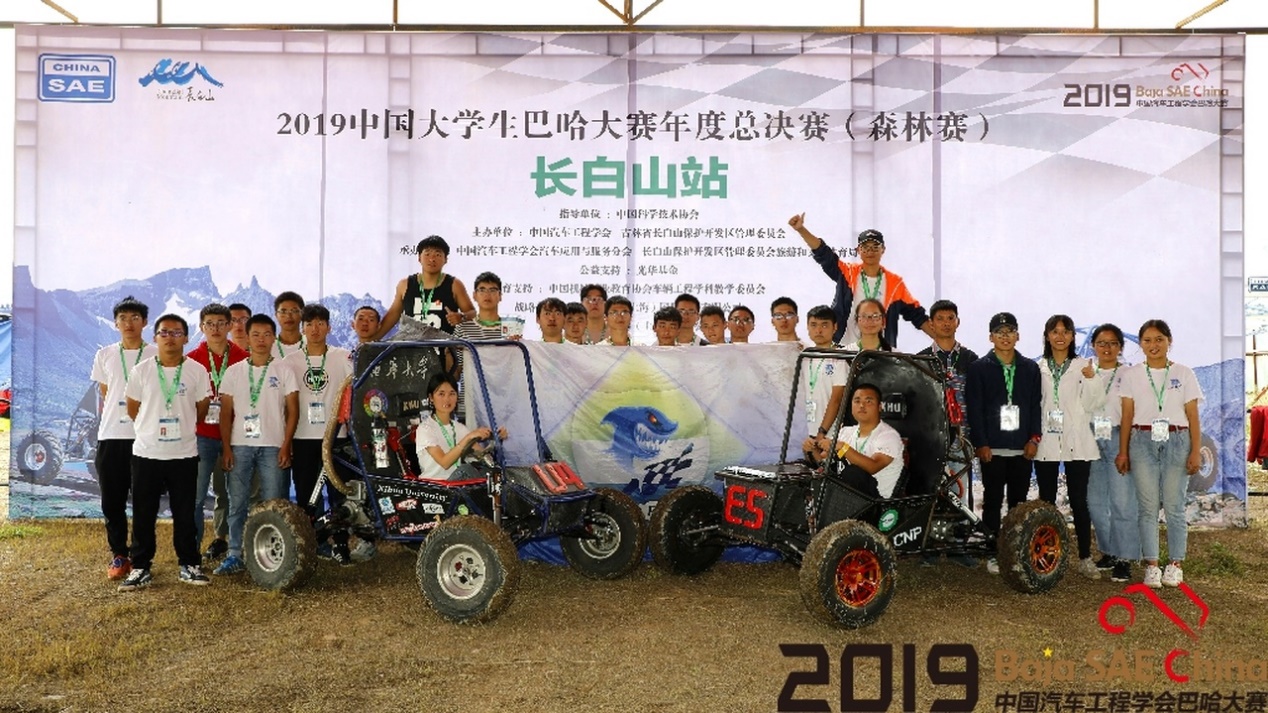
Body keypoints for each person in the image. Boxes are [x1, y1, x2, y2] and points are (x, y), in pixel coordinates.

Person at [117, 314, 212, 591]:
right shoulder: (141, 371)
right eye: (164, 332)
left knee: (185, 513)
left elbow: (201, 409)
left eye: (176, 332)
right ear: (155, 337)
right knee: (143, 514)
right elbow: (133, 408)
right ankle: (140, 566)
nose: (170, 337)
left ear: (186, 337)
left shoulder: (196, 371)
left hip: (184, 454)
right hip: (147, 454)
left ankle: (189, 564)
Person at [1116, 320, 1204, 589]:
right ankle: (1152, 565)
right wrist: (1123, 451)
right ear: (1140, 344)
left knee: (1174, 506)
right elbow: (1127, 416)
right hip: (1141, 442)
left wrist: (1195, 450)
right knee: (1147, 507)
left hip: (1178, 440)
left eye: (1159, 339)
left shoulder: (1184, 373)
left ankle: (1175, 564)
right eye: (1147, 340)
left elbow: (1193, 416)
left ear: (1169, 341)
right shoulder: (1131, 375)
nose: (1153, 345)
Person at [214, 314, 300, 575]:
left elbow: (293, 411)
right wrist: (226, 448)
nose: (261, 340)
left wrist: (286, 444)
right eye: (256, 335)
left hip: (273, 446)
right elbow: (225, 413)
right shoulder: (234, 371)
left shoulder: (284, 370)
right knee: (237, 503)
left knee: (274, 503)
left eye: (266, 335)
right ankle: (235, 553)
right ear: (247, 338)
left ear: (274, 338)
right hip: (240, 445)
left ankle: (273, 555)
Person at [965, 312, 1043, 575]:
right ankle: (991, 551)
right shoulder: (979, 368)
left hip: (1022, 447)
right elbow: (975, 409)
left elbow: (1035, 406)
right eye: (999, 332)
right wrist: (981, 443)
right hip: (993, 448)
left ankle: (1015, 552)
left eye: (1010, 331)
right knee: (992, 500)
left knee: (1018, 504)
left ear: (1018, 336)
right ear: (991, 337)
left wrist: (1034, 438)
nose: (1005, 336)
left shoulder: (1030, 369)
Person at [788, 213, 934, 348]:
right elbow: (823, 254)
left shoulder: (895, 283)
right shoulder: (848, 273)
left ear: (883, 249)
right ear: (858, 250)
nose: (870, 251)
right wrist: (801, 229)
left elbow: (917, 316)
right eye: (865, 247)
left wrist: (942, 339)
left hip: (879, 352)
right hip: (844, 347)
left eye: (875, 247)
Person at [91, 296, 157, 581]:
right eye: (123, 318)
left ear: (144, 322)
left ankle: (141, 558)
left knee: (144, 500)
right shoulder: (105, 354)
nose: (129, 323)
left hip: (145, 438)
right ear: (115, 323)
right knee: (112, 500)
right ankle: (119, 554)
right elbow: (106, 392)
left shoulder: (156, 353)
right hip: (111, 435)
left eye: (135, 318)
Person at [285, 304, 355, 563]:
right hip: (302, 437)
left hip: (336, 436)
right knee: (306, 494)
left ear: (329, 327)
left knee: (339, 493)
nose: (315, 329)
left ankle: (341, 544)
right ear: (302, 328)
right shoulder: (290, 362)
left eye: (320, 323)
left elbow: (354, 391)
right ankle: (314, 542)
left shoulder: (343, 357)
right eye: (309, 324)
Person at [1032, 314, 1101, 579]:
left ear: (1072, 336)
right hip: (1047, 441)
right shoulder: (1037, 367)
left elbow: (1094, 404)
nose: (1060, 336)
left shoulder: (1084, 366)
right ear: (1047, 336)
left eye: (1065, 331)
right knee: (1047, 502)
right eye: (1055, 331)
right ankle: (1047, 558)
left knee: (1079, 502)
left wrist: (1092, 379)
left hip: (1077, 441)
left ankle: (1085, 558)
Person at [916, 299, 979, 568]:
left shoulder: (971, 359)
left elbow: (977, 400)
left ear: (957, 322)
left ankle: (957, 545)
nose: (945, 323)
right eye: (939, 319)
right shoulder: (920, 359)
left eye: (950, 318)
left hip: (961, 438)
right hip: (931, 439)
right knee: (931, 492)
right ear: (931, 324)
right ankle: (929, 546)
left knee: (959, 493)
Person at [186, 303, 249, 561]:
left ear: (230, 326)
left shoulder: (243, 358)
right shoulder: (191, 360)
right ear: (202, 327)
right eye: (209, 324)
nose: (215, 329)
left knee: (230, 494)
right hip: (200, 436)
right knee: (196, 496)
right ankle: (191, 551)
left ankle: (227, 542)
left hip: (234, 436)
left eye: (221, 323)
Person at [1084, 323, 1139, 583]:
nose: (1107, 348)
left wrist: (1125, 449)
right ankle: (1108, 551)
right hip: (1091, 437)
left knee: (1122, 502)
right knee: (1095, 502)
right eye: (1101, 343)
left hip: (1118, 437)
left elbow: (1131, 413)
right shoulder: (1086, 371)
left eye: (1113, 343)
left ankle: (1124, 558)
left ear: (1121, 347)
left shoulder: (1129, 374)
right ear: (1093, 346)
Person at [812, 384, 904, 499]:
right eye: (857, 401)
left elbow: (873, 467)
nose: (861, 405)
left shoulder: (888, 436)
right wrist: (813, 449)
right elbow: (823, 462)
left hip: (876, 500)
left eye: (868, 401)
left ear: (880, 406)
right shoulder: (845, 432)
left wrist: (843, 448)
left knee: (853, 473)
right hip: (846, 496)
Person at [377, 235, 476, 338]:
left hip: (444, 346)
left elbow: (473, 313)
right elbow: (393, 315)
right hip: (411, 346)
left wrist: (462, 317)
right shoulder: (405, 285)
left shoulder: (454, 285)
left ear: (446, 259)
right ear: (419, 258)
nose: (432, 259)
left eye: (437, 255)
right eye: (427, 254)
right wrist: (371, 341)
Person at [415, 373, 506, 481]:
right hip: (435, 485)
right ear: (431, 398)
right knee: (466, 469)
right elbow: (444, 463)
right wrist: (468, 437)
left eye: (452, 394)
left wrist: (496, 439)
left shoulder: (459, 428)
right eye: (441, 394)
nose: (447, 399)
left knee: (493, 472)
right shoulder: (425, 429)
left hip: (457, 484)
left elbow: (481, 455)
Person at [799, 306, 847, 456]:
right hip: (808, 433)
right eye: (814, 325)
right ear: (807, 327)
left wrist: (822, 432)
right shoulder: (805, 356)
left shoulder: (840, 358)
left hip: (830, 433)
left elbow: (837, 399)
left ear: (835, 327)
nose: (818, 330)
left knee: (826, 467)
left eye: (824, 325)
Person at [454, 272, 513, 342]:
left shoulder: (510, 329)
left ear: (500, 296)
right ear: (474, 295)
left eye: (492, 290)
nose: (487, 294)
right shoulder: (462, 329)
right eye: (482, 290)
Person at [273, 291, 306, 358]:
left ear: (302, 314)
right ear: (276, 315)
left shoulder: (311, 344)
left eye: (294, 311)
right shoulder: (267, 346)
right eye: (283, 311)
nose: (288, 316)